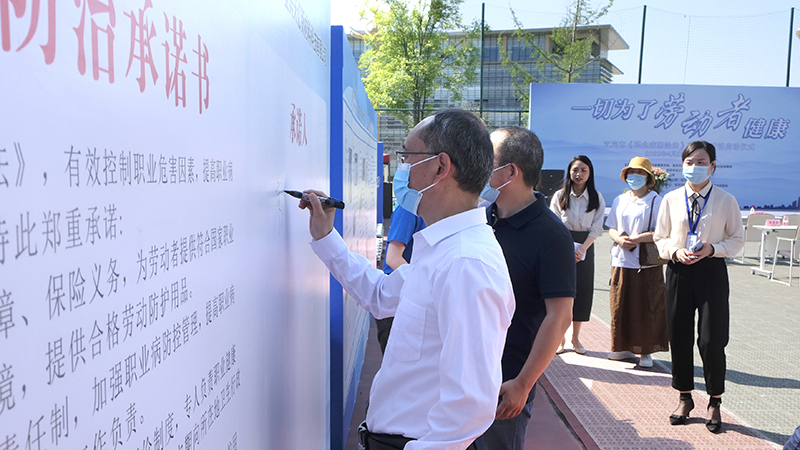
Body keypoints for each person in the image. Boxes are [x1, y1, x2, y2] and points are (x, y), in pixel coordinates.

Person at [299, 108, 515, 450]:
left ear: (440, 167)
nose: (402, 171)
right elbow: (381, 295)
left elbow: (470, 406)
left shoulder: (466, 263)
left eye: (407, 157)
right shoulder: (441, 250)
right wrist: (327, 238)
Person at [473, 127, 574, 450]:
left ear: (511, 171)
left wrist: (523, 383)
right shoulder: (480, 219)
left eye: (485, 160)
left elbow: (559, 317)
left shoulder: (551, 235)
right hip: (465, 371)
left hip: (505, 383)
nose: (475, 167)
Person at [653, 141, 744, 434]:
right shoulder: (670, 199)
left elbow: (737, 241)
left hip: (712, 272)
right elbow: (660, 237)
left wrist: (713, 248)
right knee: (679, 335)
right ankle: (684, 397)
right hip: (679, 270)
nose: (694, 167)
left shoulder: (726, 200)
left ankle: (714, 400)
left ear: (713, 166)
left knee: (710, 339)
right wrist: (675, 252)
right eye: (689, 162)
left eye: (701, 162)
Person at [604, 156, 669, 368]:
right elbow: (611, 227)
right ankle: (621, 347)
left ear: (648, 177)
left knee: (646, 307)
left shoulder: (655, 201)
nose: (634, 177)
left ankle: (645, 352)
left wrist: (638, 239)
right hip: (621, 260)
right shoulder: (620, 200)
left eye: (640, 173)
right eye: (631, 173)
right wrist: (619, 239)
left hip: (646, 263)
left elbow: (662, 232)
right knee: (620, 305)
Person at [549, 155, 605, 354]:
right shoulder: (559, 196)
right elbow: (554, 223)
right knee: (563, 292)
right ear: (569, 172)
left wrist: (582, 250)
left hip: (586, 248)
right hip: (563, 246)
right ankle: (561, 339)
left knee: (582, 292)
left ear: (589, 174)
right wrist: (568, 248)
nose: (578, 174)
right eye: (575, 170)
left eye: (583, 170)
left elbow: (597, 228)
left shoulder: (596, 198)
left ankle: (575, 338)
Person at [376, 206, 426, 354]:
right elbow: (393, 258)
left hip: (415, 298)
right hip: (398, 299)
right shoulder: (408, 210)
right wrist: (426, 287)